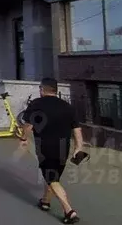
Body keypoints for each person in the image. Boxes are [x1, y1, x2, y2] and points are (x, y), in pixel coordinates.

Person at [19, 78, 84, 224]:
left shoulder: (36, 104)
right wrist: (79, 147)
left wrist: (24, 139)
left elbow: (28, 125)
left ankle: (69, 211)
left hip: (45, 147)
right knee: (53, 175)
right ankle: (45, 201)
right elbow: (77, 129)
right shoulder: (67, 107)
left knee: (52, 178)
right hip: (64, 147)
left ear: (42, 89)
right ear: (55, 89)